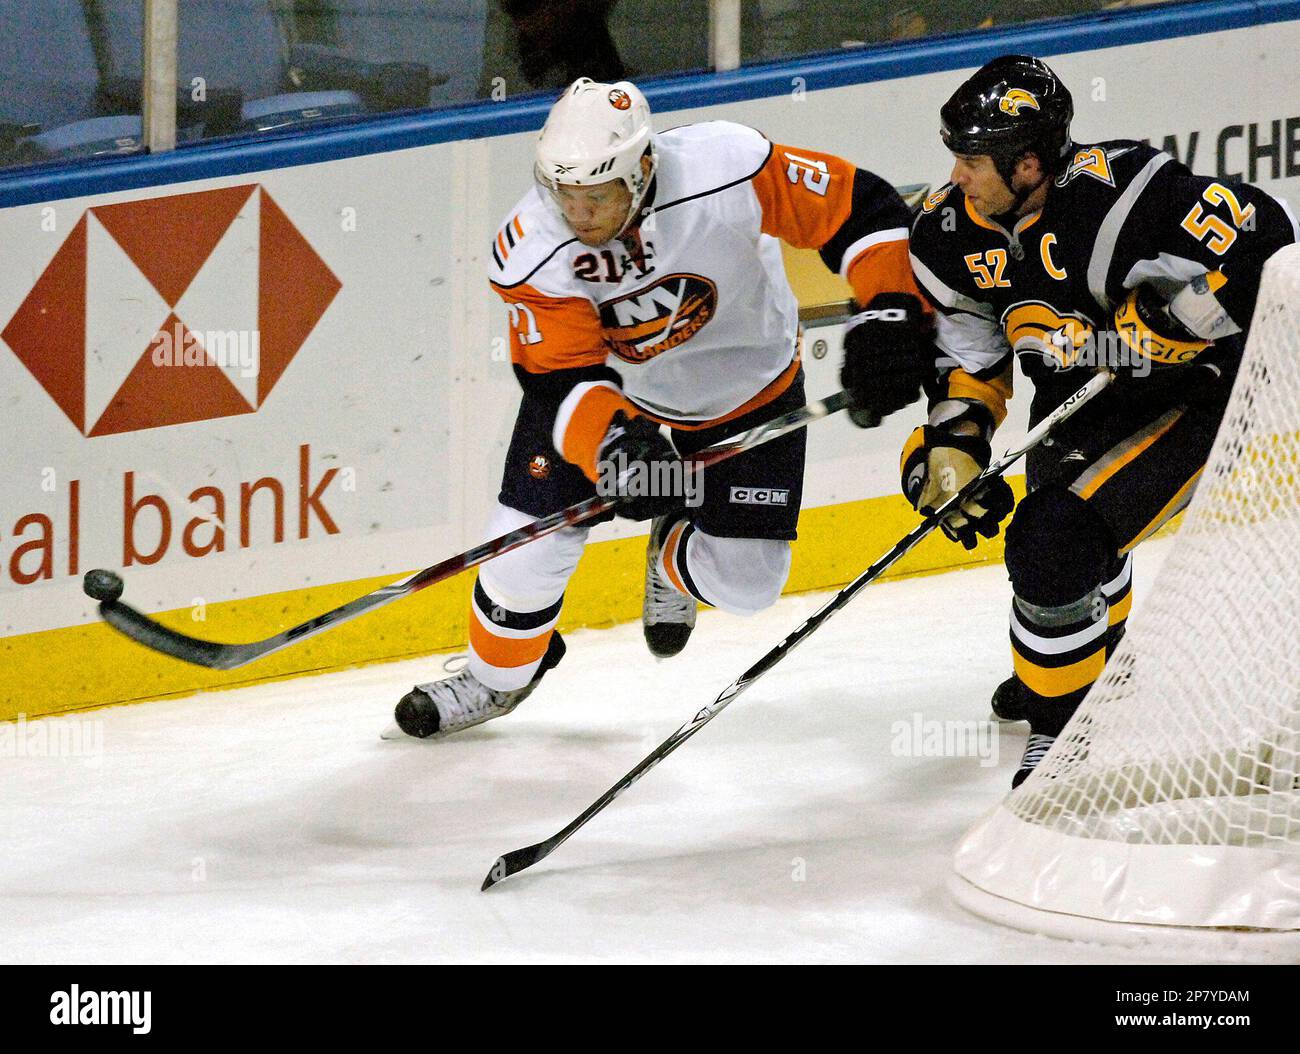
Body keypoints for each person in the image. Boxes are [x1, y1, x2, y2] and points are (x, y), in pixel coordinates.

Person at [393, 76, 930, 739]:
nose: (578, 215)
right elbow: (561, 381)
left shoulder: (727, 166)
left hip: (745, 386)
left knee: (748, 585)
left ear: (642, 169)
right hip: (611, 399)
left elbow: (860, 208)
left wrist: (887, 311)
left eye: (596, 196)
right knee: (521, 561)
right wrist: (611, 446)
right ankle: (493, 680)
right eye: (564, 195)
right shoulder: (533, 247)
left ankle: (673, 545)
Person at [844, 55, 1298, 786]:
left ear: (1027, 164)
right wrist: (955, 444)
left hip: (1197, 392)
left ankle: (1062, 740)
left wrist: (1176, 320)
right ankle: (1094, 670)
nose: (958, 176)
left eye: (973, 161)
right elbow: (972, 358)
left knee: (1052, 545)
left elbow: (1267, 242)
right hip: (1077, 396)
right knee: (1066, 551)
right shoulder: (943, 233)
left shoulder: (1126, 197)